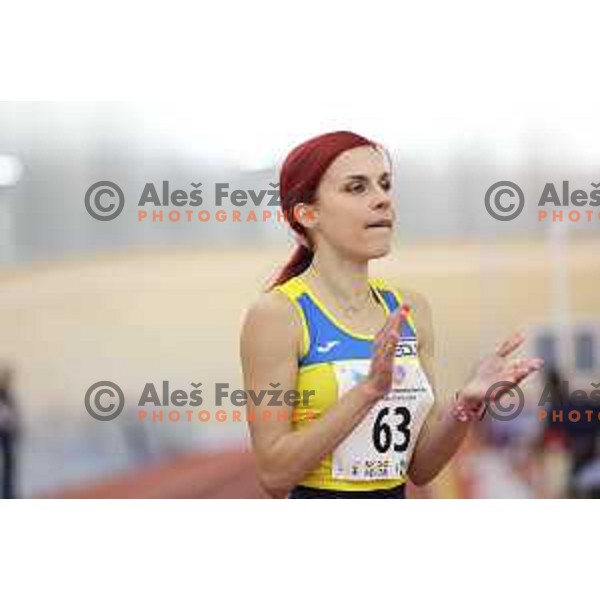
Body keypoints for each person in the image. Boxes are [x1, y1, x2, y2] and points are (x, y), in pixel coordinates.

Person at [240, 131, 544, 499]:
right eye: (357, 188)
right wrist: (368, 392)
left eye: (384, 184)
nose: (382, 199)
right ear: (307, 214)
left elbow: (422, 467)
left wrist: (466, 404)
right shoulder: (277, 315)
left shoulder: (411, 311)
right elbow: (274, 475)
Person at [0, 365, 19, 499]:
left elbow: (11, 415)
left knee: (9, 466)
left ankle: (8, 494)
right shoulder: (3, 396)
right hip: (4, 433)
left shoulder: (7, 395)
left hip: (7, 435)